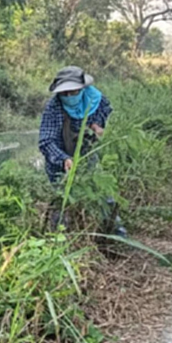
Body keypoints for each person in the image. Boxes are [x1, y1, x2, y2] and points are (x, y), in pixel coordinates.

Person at [38, 66, 126, 236]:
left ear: (83, 88)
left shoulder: (97, 100)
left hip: (88, 157)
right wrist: (64, 159)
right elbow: (46, 141)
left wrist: (97, 127)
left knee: (102, 194)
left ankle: (115, 235)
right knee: (62, 199)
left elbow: (105, 122)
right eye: (65, 93)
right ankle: (59, 240)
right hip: (60, 161)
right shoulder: (54, 107)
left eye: (74, 92)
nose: (69, 96)